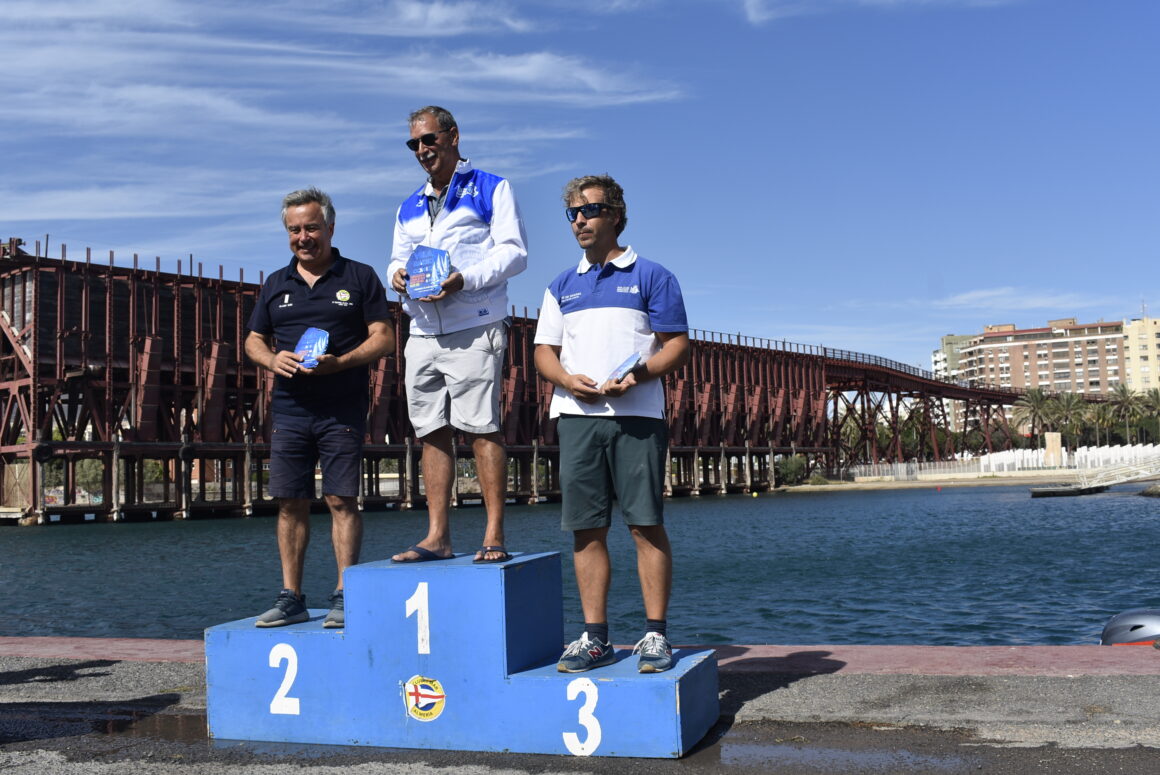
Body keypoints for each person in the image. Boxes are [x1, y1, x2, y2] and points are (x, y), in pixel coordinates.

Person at [533, 174, 690, 673]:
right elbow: (543, 352)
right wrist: (565, 380)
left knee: (646, 525)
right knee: (586, 529)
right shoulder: (561, 285)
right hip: (577, 417)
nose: (579, 220)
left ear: (616, 215)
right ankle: (595, 638)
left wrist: (639, 374)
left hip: (638, 416)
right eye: (573, 214)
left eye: (590, 211)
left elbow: (677, 344)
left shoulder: (652, 275)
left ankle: (655, 636)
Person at [245, 187, 394, 629]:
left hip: (341, 408)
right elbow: (253, 340)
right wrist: (272, 358)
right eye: (294, 229)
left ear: (330, 227)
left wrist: (339, 364)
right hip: (290, 409)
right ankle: (291, 596)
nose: (303, 237)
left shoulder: (359, 276)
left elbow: (384, 337)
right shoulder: (276, 283)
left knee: (340, 500)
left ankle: (344, 594)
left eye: (311, 227)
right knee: (289, 502)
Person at [386, 106, 528, 564]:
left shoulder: (491, 187)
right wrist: (398, 276)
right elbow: (395, 259)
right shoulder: (408, 205)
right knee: (430, 431)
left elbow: (514, 253)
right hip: (423, 330)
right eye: (414, 144)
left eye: (429, 140)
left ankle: (493, 534)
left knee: (483, 428)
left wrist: (462, 279)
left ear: (453, 137)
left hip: (474, 325)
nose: (422, 151)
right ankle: (437, 537)